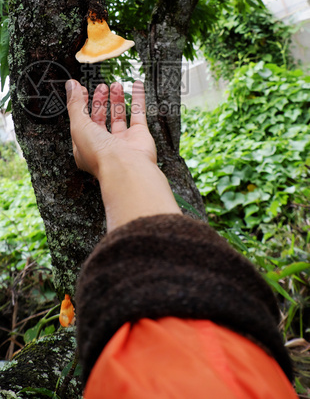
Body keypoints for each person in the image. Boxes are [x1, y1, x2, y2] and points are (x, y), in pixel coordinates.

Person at [65, 78, 298, 399]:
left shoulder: (149, 376)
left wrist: (116, 161)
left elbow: (169, 334)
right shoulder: (241, 371)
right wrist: (123, 162)